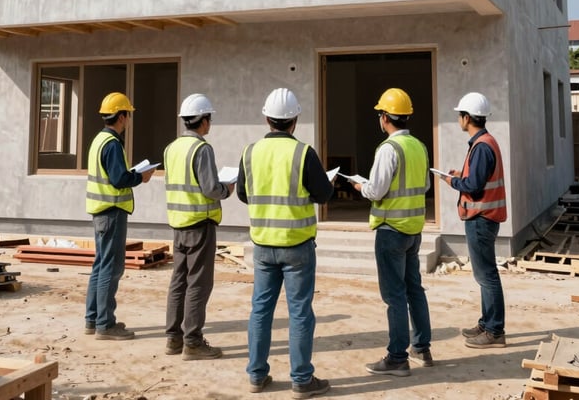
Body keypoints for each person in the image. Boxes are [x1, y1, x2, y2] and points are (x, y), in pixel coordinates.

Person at [237, 88, 334, 399]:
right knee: (300, 312)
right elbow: (323, 195)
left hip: (263, 244)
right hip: (297, 245)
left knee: (260, 311)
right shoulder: (304, 153)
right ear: (295, 120)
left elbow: (242, 193)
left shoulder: (249, 152)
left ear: (267, 119)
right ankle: (301, 379)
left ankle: (256, 375)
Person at [351, 88, 433, 377]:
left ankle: (397, 357)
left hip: (390, 231)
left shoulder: (389, 149)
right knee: (414, 288)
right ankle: (421, 347)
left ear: (384, 118)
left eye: (380, 114)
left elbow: (376, 189)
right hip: (413, 229)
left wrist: (361, 187)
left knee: (395, 295)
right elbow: (424, 186)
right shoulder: (419, 146)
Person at [164, 93, 233, 360]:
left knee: (178, 281)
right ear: (203, 121)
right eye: (209, 119)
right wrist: (226, 189)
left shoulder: (171, 148)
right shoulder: (201, 149)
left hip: (178, 225)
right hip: (200, 226)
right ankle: (192, 341)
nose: (210, 124)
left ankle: (173, 339)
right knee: (198, 284)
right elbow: (210, 189)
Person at [85, 92, 155, 340]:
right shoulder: (113, 144)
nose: (128, 121)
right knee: (111, 268)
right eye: (128, 115)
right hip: (112, 212)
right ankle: (105, 324)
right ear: (122, 116)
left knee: (100, 265)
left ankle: (92, 319)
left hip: (100, 211)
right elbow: (118, 179)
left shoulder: (99, 140)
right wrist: (140, 177)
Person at [442, 91, 507, 348]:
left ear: (467, 118)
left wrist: (452, 181)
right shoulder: (486, 142)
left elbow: (474, 185)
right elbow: (478, 177)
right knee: (483, 275)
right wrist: (463, 174)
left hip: (481, 217)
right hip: (484, 217)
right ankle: (486, 323)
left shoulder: (481, 146)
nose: (459, 120)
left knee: (486, 275)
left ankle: (494, 331)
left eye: (460, 116)